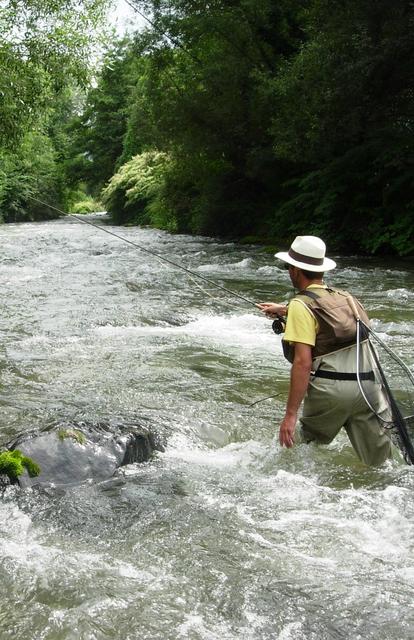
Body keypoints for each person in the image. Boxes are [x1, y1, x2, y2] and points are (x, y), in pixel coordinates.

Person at [257, 235, 392, 466]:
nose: (288, 271)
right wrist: (285, 310)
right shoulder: (347, 298)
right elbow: (327, 316)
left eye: (289, 266)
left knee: (293, 451)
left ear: (296, 271)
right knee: (380, 465)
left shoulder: (301, 305)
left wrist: (290, 415)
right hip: (369, 388)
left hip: (331, 393)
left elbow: (302, 363)